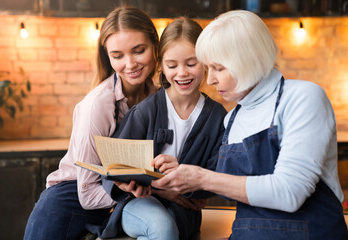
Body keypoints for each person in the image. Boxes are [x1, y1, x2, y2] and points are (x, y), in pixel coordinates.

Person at [152, 10, 348, 240]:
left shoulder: (303, 98)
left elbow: (290, 192)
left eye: (219, 68)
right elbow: (224, 184)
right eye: (209, 68)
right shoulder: (233, 118)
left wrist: (202, 177)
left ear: (249, 59)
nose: (211, 79)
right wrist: (179, 172)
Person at [23, 6, 159, 240]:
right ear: (108, 57)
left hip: (113, 206)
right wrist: (144, 191)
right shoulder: (99, 104)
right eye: (117, 56)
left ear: (155, 46)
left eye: (139, 51)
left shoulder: (156, 97)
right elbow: (86, 194)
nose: (130, 64)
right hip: (66, 206)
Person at [91, 17, 227, 240]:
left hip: (184, 213)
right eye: (172, 65)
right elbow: (112, 167)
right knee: (162, 228)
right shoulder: (146, 111)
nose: (181, 73)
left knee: (167, 232)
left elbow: (218, 176)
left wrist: (182, 173)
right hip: (140, 205)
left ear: (206, 62)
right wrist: (134, 184)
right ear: (161, 65)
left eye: (191, 64)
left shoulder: (217, 117)